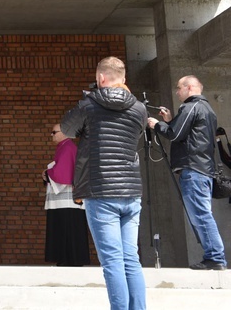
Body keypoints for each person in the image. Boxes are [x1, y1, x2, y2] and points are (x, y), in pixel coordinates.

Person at [60, 57, 147, 310]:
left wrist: (89, 97)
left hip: (100, 191)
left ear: (100, 78)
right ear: (124, 79)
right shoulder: (140, 108)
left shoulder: (89, 104)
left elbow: (66, 127)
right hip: (131, 192)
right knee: (131, 258)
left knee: (112, 261)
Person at [147, 75, 227, 270]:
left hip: (193, 170)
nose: (177, 91)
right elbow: (187, 132)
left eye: (179, 88)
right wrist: (170, 121)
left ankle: (215, 257)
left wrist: (156, 125)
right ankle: (214, 256)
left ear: (190, 88)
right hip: (203, 170)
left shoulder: (190, 106)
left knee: (201, 215)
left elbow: (174, 134)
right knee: (202, 214)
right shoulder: (208, 109)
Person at [42, 124, 90, 267]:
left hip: (68, 201)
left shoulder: (67, 147)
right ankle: (67, 259)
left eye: (54, 132)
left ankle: (69, 260)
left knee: (67, 229)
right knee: (66, 229)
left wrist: (47, 173)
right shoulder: (64, 147)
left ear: (64, 133)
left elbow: (61, 173)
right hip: (65, 202)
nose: (52, 135)